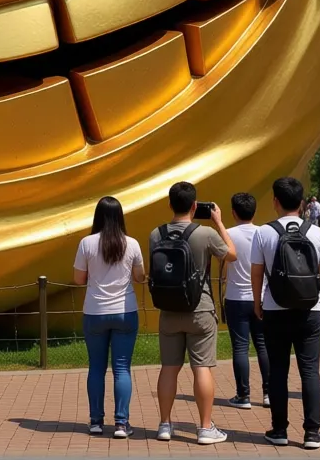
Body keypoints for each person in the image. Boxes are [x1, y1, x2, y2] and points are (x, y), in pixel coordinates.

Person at [151, 181, 236, 445]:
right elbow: (231, 254)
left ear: (169, 204)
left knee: (169, 368)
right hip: (200, 308)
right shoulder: (205, 234)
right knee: (202, 368)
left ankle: (164, 425)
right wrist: (219, 222)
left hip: (168, 309)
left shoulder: (156, 234)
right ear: (195, 206)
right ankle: (205, 428)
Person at [252, 176, 320, 450]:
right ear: (302, 203)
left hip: (275, 307)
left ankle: (279, 429)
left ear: (275, 201)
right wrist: (312, 290)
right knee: (310, 370)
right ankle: (312, 432)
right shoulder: (317, 232)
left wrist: (257, 302)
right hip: (310, 309)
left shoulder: (264, 232)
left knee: (278, 370)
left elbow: (257, 272)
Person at [73, 197, 145, 438]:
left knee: (96, 367)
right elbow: (140, 277)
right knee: (122, 368)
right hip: (125, 311)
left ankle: (96, 421)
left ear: (98, 216)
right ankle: (122, 423)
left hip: (95, 311)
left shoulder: (86, 243)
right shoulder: (132, 243)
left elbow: (78, 279)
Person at [222, 192, 270, 410]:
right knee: (263, 345)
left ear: (233, 212)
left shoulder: (228, 234)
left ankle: (243, 395)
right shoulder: (264, 233)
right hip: (261, 296)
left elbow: (222, 262)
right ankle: (268, 393)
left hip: (236, 297)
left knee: (240, 347)